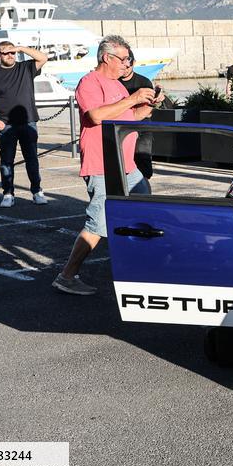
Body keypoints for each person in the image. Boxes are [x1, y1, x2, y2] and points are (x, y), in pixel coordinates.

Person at [53, 35, 163, 296]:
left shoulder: (117, 86)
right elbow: (96, 116)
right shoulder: (89, 82)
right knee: (98, 224)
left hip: (126, 164)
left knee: (144, 209)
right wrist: (133, 98)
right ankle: (67, 275)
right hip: (102, 164)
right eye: (123, 59)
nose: (127, 64)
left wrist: (147, 106)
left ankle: (138, 267)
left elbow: (130, 118)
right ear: (107, 57)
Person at [0, 41, 49, 207]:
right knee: (6, 161)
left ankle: (37, 191)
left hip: (28, 121)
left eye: (12, 52)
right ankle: (8, 193)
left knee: (32, 158)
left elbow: (43, 58)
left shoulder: (25, 68)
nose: (9, 55)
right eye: (5, 53)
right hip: (6, 125)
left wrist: (21, 48)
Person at [119, 50, 159, 182]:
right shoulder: (114, 82)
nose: (124, 68)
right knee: (121, 163)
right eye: (122, 64)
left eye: (128, 65)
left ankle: (144, 193)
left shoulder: (143, 82)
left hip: (142, 128)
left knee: (143, 162)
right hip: (122, 127)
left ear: (133, 63)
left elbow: (148, 111)